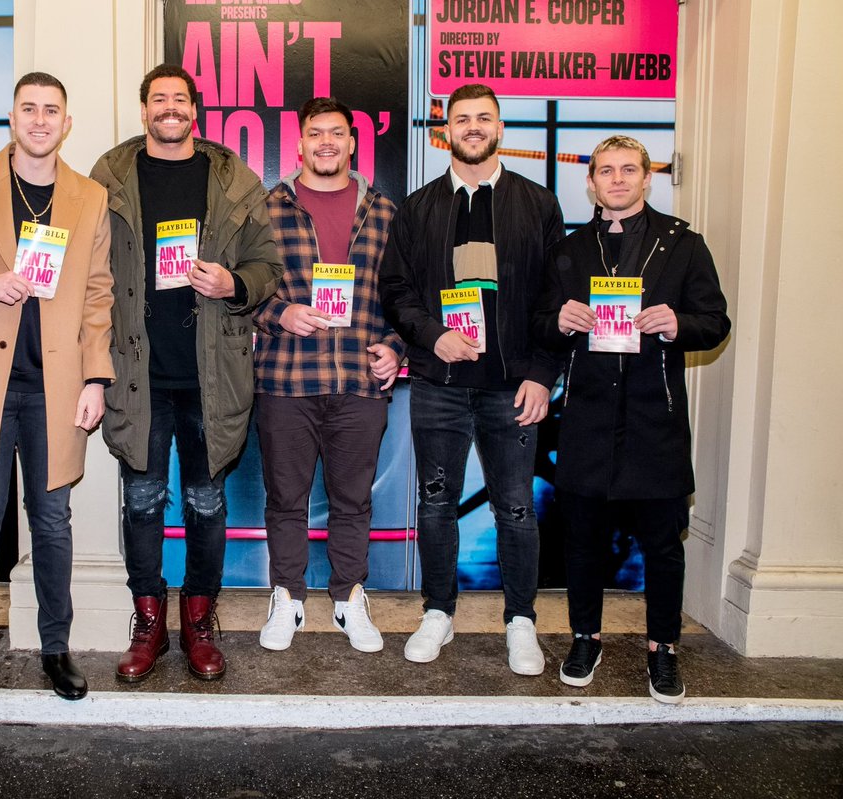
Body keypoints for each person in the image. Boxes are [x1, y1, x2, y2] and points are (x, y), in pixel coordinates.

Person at [0, 72, 114, 705]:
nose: (39, 120)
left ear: (67, 123)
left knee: (54, 524)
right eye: (28, 109)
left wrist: (95, 376)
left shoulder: (89, 198)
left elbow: (97, 295)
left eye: (51, 110)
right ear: (12, 118)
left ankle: (55, 648)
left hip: (55, 387)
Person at [90, 64, 281, 682]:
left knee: (206, 501)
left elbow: (266, 265)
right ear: (143, 108)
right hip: (136, 372)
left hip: (212, 374)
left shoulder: (233, 179)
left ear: (195, 110)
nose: (169, 108)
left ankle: (199, 619)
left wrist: (235, 284)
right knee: (141, 500)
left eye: (180, 99)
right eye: (158, 99)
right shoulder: (109, 178)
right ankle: (149, 623)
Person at [532, 135, 730, 703]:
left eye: (628, 170)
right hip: (588, 420)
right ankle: (584, 638)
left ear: (647, 179)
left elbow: (715, 322)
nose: (616, 180)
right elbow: (540, 326)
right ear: (590, 183)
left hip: (655, 420)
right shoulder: (569, 251)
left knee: (664, 546)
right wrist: (559, 318)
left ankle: (663, 649)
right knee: (583, 542)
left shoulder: (684, 245)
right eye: (605, 171)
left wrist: (677, 322)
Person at [379, 83, 563, 674]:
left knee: (515, 508)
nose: (473, 127)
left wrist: (541, 374)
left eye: (484, 118)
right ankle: (438, 612)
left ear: (500, 128)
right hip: (439, 382)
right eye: (462, 119)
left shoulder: (538, 205)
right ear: (447, 131)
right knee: (435, 503)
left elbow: (554, 299)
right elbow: (396, 291)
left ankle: (521, 621)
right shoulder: (419, 207)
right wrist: (433, 335)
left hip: (512, 388)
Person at [252, 97, 403, 653]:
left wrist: (395, 346)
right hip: (286, 381)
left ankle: (348, 597)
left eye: (336, 133)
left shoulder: (385, 211)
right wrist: (279, 313)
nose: (326, 143)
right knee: (285, 499)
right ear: (299, 143)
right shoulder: (269, 207)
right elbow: (243, 288)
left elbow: (403, 296)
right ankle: (286, 598)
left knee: (353, 502)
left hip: (361, 383)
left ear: (352, 142)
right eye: (315, 133)